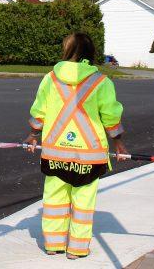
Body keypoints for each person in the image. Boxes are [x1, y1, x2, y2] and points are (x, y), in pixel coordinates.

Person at [24, 32, 127, 259]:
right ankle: (78, 249)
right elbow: (110, 116)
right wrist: (118, 143)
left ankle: (53, 244)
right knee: (83, 202)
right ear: (91, 54)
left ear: (66, 51)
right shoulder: (102, 82)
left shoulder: (50, 79)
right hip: (89, 156)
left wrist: (33, 135)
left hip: (55, 153)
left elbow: (39, 110)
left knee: (54, 200)